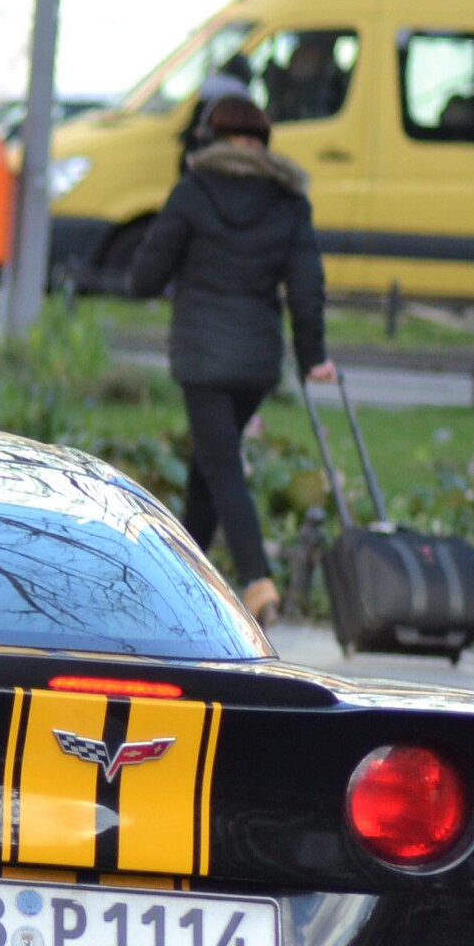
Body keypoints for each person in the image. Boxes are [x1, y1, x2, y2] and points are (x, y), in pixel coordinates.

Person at [128, 95, 332, 628]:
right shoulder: (289, 202)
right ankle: (183, 573)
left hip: (202, 355)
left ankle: (257, 578)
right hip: (257, 360)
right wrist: (314, 356)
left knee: (219, 463)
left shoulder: (193, 193)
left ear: (212, 139)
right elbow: (307, 285)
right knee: (210, 461)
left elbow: (145, 276)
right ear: (263, 142)